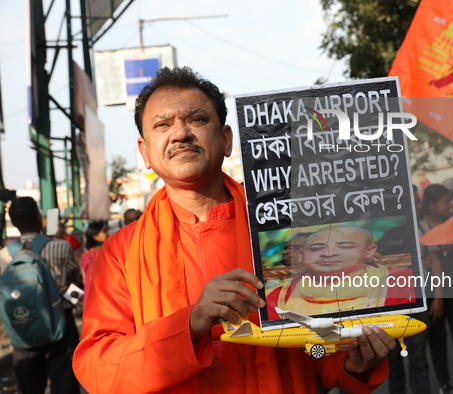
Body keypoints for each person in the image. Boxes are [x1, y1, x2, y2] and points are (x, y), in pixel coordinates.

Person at [72, 67, 393, 394]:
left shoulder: (285, 231)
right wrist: (190, 324)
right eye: (162, 124)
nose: (180, 133)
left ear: (226, 140)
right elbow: (98, 367)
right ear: (145, 153)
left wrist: (353, 363)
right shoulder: (121, 252)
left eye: (197, 120)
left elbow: (323, 348)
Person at [0, 197, 81, 394]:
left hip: (23, 327)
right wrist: (62, 305)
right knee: (65, 387)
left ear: (15, 223)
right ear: (39, 218)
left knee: (29, 388)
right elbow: (77, 287)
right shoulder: (61, 246)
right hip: (61, 327)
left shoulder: (3, 255)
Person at [265, 225, 414, 320]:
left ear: (369, 251)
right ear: (301, 255)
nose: (328, 254)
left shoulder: (401, 282)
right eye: (316, 249)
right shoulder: (275, 298)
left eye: (345, 247)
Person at [387, 185, 444, 394]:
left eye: (418, 201)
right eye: (414, 201)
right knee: (393, 357)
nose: (417, 205)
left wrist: (438, 297)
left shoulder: (421, 229)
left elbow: (435, 261)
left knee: (418, 356)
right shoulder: (386, 233)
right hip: (391, 307)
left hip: (418, 303)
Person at [419, 184, 453, 394]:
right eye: (445, 202)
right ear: (431, 205)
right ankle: (444, 382)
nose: (449, 206)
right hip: (432, 291)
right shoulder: (420, 228)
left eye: (450, 201)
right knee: (437, 338)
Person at [80, 221, 109, 308]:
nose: (107, 233)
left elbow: (84, 279)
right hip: (107, 295)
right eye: (104, 231)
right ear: (95, 236)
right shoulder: (107, 252)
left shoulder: (85, 255)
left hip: (90, 296)